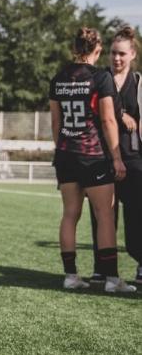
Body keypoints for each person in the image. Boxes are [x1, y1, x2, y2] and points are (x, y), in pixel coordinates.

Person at [49, 27, 135, 293]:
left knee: (69, 215)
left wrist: (63, 148)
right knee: (105, 215)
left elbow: (56, 122)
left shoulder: (58, 78)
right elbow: (109, 119)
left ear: (74, 47)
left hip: (65, 155)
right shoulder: (100, 77)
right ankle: (111, 280)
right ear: (97, 49)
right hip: (94, 157)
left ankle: (71, 276)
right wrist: (117, 157)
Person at [88, 26, 142, 286]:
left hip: (133, 159)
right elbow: (98, 113)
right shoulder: (100, 78)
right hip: (101, 157)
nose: (116, 58)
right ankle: (103, 268)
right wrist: (121, 114)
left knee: (137, 216)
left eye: (122, 53)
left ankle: (141, 262)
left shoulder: (139, 82)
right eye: (112, 53)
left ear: (132, 54)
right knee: (101, 214)